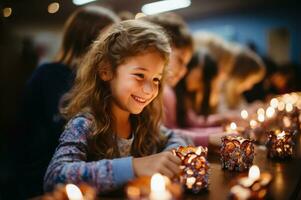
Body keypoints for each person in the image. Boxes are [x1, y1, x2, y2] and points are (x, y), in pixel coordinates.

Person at [43, 20, 188, 193]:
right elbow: (55, 177)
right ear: (106, 70)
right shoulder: (85, 124)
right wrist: (133, 167)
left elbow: (176, 138)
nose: (150, 90)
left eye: (156, 79)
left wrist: (168, 158)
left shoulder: (143, 121)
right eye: (139, 75)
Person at [11, 6, 120, 198]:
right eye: (109, 40)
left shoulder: (95, 78)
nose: (116, 48)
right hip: (43, 182)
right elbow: (43, 141)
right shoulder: (49, 76)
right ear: (87, 40)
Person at [139, 12, 193, 130]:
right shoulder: (154, 93)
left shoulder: (167, 92)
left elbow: (168, 134)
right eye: (180, 60)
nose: (183, 72)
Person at [217, 49, 266, 113]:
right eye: (251, 81)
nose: (250, 87)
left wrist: (252, 107)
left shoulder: (236, 95)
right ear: (241, 76)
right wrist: (249, 111)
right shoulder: (219, 89)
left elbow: (242, 109)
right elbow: (222, 114)